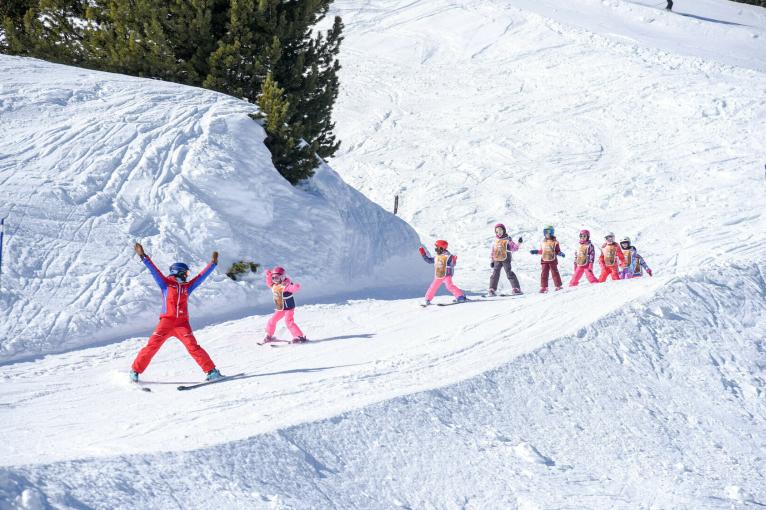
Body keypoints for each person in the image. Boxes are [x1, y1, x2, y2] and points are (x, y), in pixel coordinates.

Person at [130, 243, 223, 382]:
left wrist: (213, 264)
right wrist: (143, 256)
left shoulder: (187, 287)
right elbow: (154, 271)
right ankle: (135, 371)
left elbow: (200, 278)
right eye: (185, 273)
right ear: (179, 272)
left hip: (182, 323)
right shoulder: (165, 284)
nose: (187, 275)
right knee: (152, 346)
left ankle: (211, 371)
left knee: (193, 347)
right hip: (166, 322)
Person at [263, 266, 308, 343]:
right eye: (273, 278)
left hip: (288, 308)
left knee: (289, 322)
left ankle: (299, 336)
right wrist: (268, 276)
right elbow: (269, 283)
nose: (275, 280)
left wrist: (295, 287)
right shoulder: (274, 285)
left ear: (282, 277)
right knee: (272, 320)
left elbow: (292, 288)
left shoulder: (286, 285)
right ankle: (269, 335)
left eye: (277, 278)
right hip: (280, 308)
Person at [419, 240, 466, 305]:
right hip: (439, 275)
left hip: (447, 274)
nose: (436, 249)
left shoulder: (449, 256)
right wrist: (423, 254)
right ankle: (427, 299)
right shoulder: (437, 257)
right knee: (433, 286)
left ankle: (460, 297)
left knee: (449, 286)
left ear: (442, 248)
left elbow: (453, 264)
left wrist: (454, 259)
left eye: (437, 247)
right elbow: (429, 261)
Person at [488, 223, 523, 296]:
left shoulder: (508, 239)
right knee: (495, 274)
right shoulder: (495, 241)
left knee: (509, 273)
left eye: (500, 230)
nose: (499, 232)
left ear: (504, 230)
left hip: (506, 259)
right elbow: (493, 251)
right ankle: (492, 289)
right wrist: (492, 260)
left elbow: (514, 248)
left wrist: (519, 243)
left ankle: (516, 288)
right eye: (497, 231)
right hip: (497, 259)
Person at [529, 225, 565, 293]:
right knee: (544, 274)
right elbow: (542, 251)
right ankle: (544, 287)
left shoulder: (555, 242)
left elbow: (557, 251)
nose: (547, 233)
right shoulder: (543, 242)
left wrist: (560, 253)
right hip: (544, 260)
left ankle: (558, 286)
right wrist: (536, 251)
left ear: (552, 232)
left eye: (548, 232)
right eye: (545, 232)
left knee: (555, 273)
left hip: (552, 260)